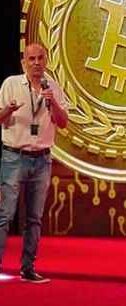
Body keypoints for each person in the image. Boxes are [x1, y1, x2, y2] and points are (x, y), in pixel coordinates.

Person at [0, 43, 68, 283]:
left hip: (42, 159)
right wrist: (8, 110)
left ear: (46, 61)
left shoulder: (53, 87)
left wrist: (53, 103)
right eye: (32, 59)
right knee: (5, 214)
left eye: (40, 58)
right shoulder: (11, 84)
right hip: (14, 157)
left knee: (34, 218)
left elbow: (63, 122)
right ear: (24, 63)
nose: (36, 63)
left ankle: (28, 268)